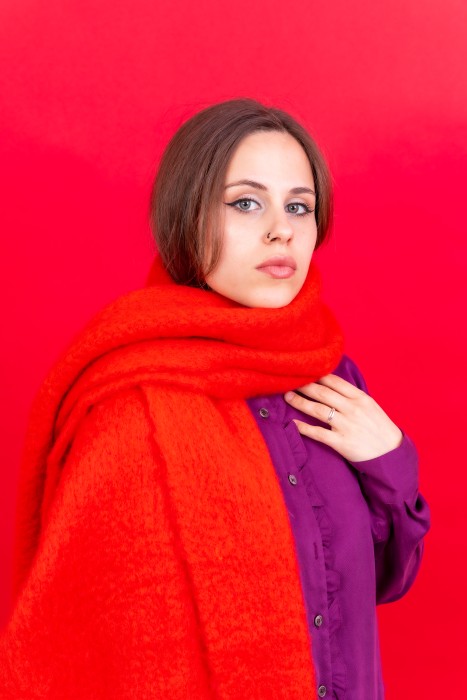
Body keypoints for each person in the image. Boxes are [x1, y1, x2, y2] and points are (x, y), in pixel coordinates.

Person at [0, 98, 430, 699]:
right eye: (246, 203)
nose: (281, 229)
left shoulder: (332, 382)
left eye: (299, 206)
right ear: (187, 214)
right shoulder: (132, 408)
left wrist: (389, 461)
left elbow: (380, 582)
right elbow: (89, 653)